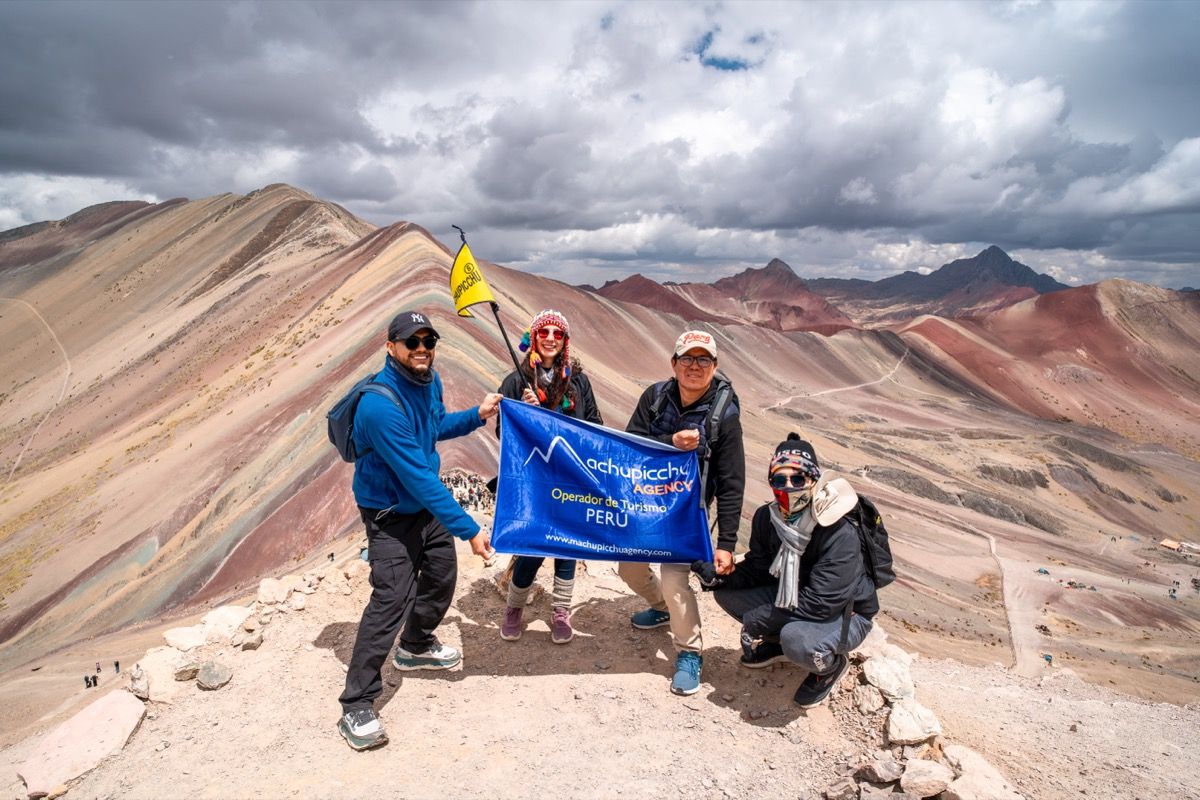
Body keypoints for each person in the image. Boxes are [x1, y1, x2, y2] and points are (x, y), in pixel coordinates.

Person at [336, 309, 502, 751]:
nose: (422, 349)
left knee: (442, 577)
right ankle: (357, 702)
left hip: (423, 508)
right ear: (391, 347)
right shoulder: (378, 406)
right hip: (390, 512)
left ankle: (415, 644)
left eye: (429, 341)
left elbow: (432, 428)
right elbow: (418, 474)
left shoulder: (429, 381)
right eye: (412, 342)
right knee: (392, 597)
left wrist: (476, 415)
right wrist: (469, 528)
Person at [699, 434, 878, 708]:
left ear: (814, 480)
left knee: (797, 639)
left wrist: (762, 617)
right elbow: (759, 568)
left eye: (798, 479)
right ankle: (778, 644)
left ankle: (827, 667)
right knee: (728, 594)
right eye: (779, 480)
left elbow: (822, 602)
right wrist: (720, 576)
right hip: (795, 595)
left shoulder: (838, 530)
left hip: (846, 612)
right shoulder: (768, 518)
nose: (788, 487)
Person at [620, 329, 745, 695]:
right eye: (687, 359)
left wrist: (726, 543)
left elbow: (731, 481)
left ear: (714, 366)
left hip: (685, 514)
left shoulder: (725, 415)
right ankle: (661, 608)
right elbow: (629, 446)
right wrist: (670, 443)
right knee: (628, 568)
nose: (694, 366)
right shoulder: (655, 399)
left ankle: (689, 652)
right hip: (644, 504)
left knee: (675, 578)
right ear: (674, 364)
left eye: (703, 359)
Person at [495, 309, 603, 645]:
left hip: (570, 476)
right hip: (534, 479)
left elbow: (595, 424)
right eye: (545, 333)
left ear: (565, 341)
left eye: (558, 333)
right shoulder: (516, 381)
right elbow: (504, 430)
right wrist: (526, 412)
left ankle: (560, 610)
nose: (551, 338)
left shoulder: (578, 381)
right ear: (534, 338)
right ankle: (514, 608)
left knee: (568, 542)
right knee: (534, 543)